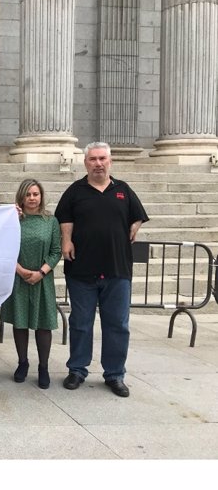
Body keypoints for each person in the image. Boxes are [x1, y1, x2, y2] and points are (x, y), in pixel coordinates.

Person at [55, 142, 148, 397]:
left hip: (117, 271)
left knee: (117, 324)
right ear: (85, 162)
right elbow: (64, 218)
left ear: (110, 161)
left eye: (102, 158)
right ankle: (77, 370)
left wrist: (136, 225)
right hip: (81, 271)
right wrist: (66, 240)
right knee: (81, 324)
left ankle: (115, 375)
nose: (98, 163)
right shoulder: (75, 191)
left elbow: (138, 214)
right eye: (93, 159)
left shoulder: (123, 190)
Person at [1, 179, 61, 389]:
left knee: (43, 324)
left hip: (42, 279)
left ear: (41, 196)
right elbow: (4, 247)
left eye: (36, 194)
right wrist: (19, 269)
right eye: (28, 194)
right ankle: (22, 363)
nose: (32, 198)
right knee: (21, 321)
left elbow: (56, 251)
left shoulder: (50, 221)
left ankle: (43, 367)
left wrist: (41, 272)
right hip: (19, 277)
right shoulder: (14, 220)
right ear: (22, 197)